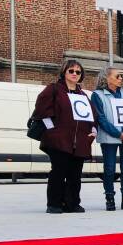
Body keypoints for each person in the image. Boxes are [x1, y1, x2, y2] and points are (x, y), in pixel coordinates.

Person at [33, 60, 95, 214]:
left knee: (75, 174)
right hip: (59, 140)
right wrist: (52, 131)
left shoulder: (83, 95)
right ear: (64, 72)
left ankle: (72, 203)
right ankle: (54, 203)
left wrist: (93, 130)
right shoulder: (53, 89)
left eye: (78, 72)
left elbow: (93, 116)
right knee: (59, 172)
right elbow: (41, 110)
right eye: (71, 71)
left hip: (79, 141)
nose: (74, 74)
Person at [91, 66, 123, 211]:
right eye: (118, 76)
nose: (121, 79)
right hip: (110, 137)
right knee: (109, 169)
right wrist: (118, 134)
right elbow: (101, 118)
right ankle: (110, 199)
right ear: (107, 78)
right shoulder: (97, 95)